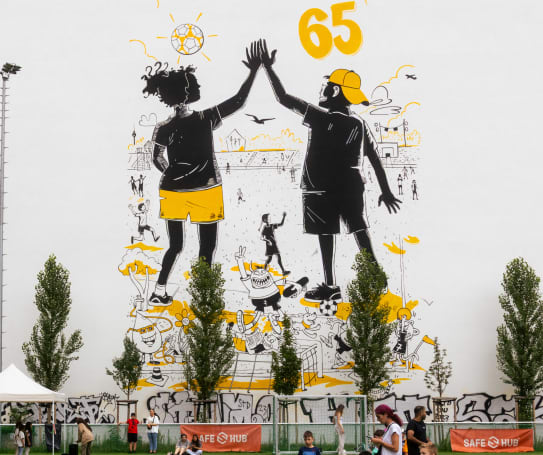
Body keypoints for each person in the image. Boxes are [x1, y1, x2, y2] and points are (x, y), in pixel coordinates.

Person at [259, 40, 401, 304]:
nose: (320, 89)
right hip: (350, 185)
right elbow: (374, 158)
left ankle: (330, 285)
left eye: (324, 85)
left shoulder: (320, 116)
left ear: (334, 90)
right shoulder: (358, 123)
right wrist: (386, 191)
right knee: (359, 229)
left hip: (319, 187)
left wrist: (267, 67)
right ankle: (375, 276)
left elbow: (283, 98)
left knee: (326, 236)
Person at [141, 42, 265, 305]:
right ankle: (203, 295)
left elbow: (156, 158)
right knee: (206, 247)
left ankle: (159, 290)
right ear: (188, 92)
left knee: (175, 245)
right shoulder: (206, 118)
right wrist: (254, 71)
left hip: (172, 190)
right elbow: (238, 101)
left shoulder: (164, 127)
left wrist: (173, 174)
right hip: (206, 189)